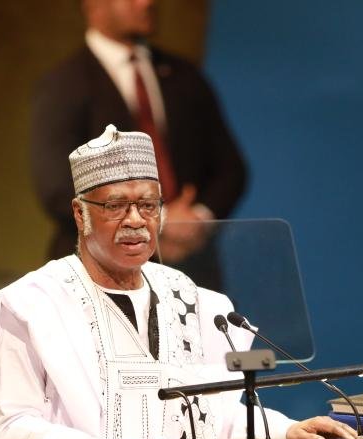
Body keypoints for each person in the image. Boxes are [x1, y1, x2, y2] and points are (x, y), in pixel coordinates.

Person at [0, 126, 354, 439]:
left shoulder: (193, 301)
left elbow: (212, 422)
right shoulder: (33, 305)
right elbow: (11, 429)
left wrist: (285, 430)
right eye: (115, 206)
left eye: (148, 205)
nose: (135, 220)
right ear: (79, 213)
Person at [30, 0, 246, 281]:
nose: (147, 3)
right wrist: (158, 219)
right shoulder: (63, 84)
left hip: (189, 270)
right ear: (93, 5)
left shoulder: (185, 76)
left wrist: (198, 218)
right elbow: (57, 187)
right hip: (98, 275)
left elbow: (231, 168)